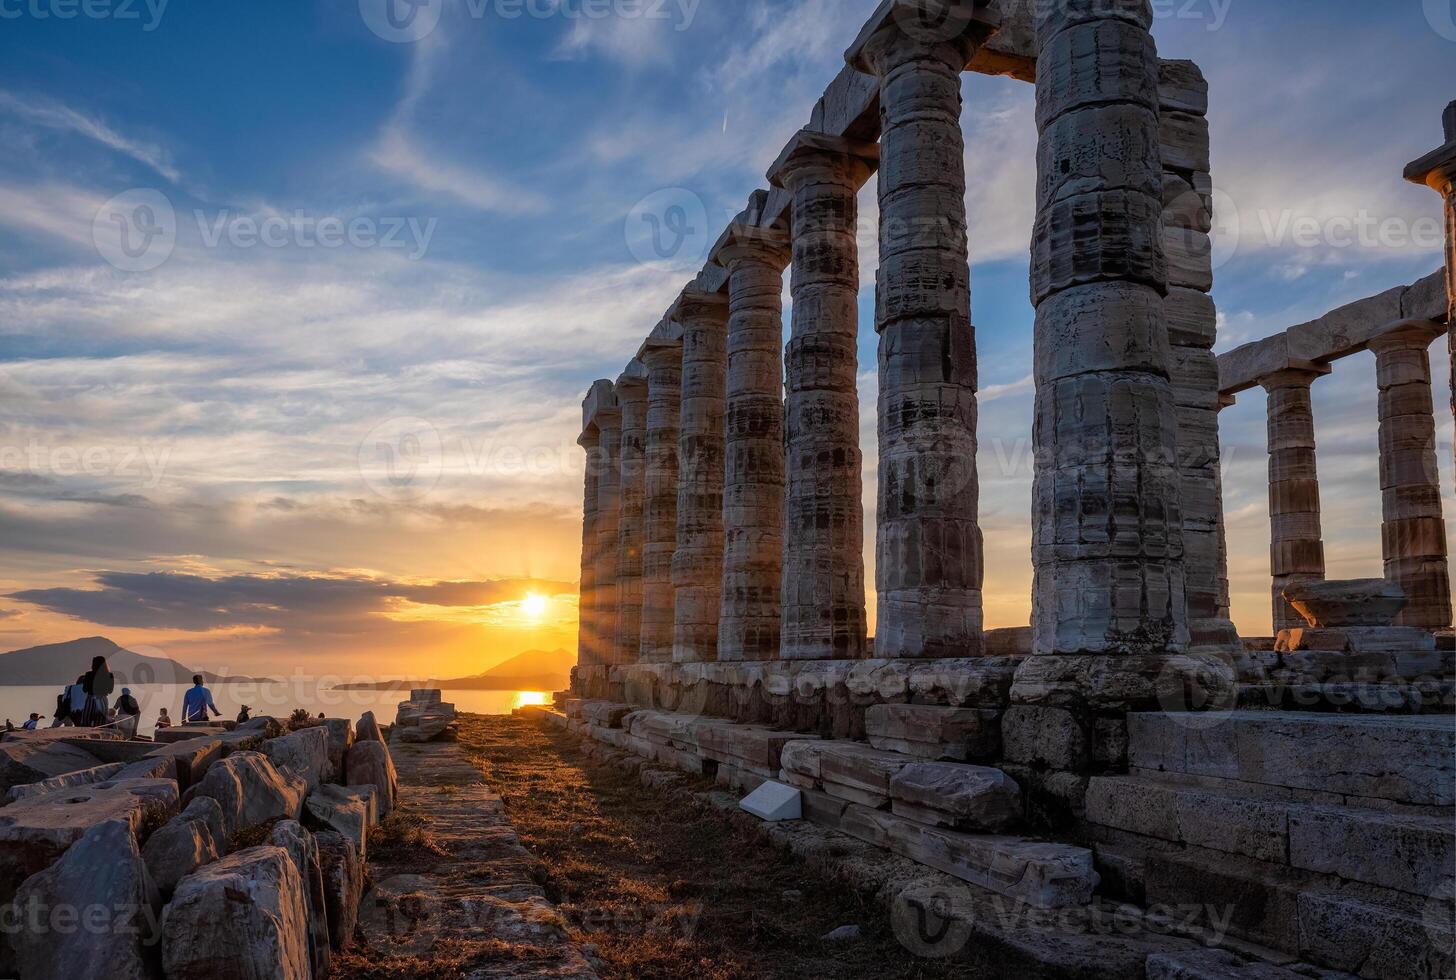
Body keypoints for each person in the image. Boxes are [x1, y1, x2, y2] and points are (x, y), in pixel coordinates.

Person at [81, 655, 115, 727]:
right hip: (103, 700)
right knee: (100, 723)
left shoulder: (89, 674)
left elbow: (84, 689)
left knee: (86, 721)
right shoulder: (110, 675)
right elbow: (110, 691)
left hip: (91, 700)